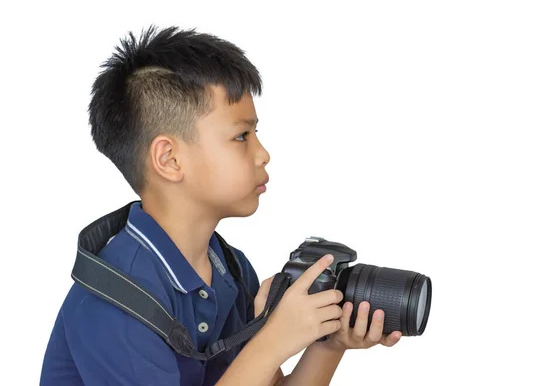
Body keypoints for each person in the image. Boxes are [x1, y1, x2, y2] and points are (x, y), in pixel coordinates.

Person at [40, 25, 402, 386]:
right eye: (241, 136)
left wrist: (327, 344)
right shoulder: (115, 306)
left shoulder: (228, 268)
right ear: (169, 159)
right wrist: (271, 340)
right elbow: (263, 357)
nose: (263, 154)